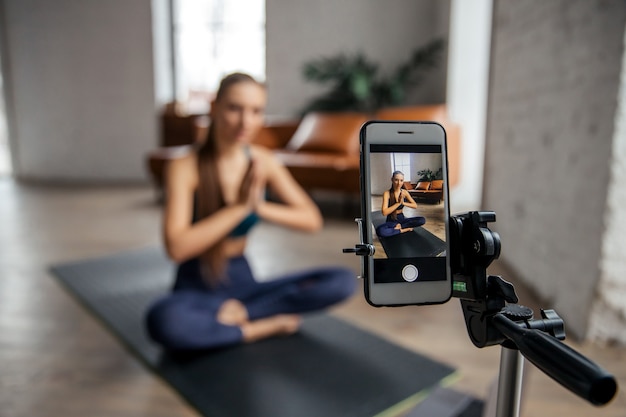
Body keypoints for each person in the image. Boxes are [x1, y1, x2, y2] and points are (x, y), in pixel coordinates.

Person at [145, 73, 355, 351]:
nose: (246, 122)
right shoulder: (184, 166)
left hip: (243, 281)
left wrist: (260, 207)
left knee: (341, 282)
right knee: (164, 320)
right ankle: (258, 327)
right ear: (214, 107)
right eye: (235, 108)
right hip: (195, 283)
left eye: (256, 111)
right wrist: (238, 209)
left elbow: (311, 220)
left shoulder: (262, 161)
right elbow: (177, 248)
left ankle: (238, 316)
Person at [375, 171, 426, 238]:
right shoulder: (387, 193)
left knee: (422, 220)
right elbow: (384, 212)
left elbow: (415, 205)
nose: (399, 183)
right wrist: (398, 203)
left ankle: (400, 227)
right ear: (392, 180)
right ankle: (402, 230)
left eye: (401, 180)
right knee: (380, 231)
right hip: (391, 220)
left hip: (402, 219)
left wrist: (403, 203)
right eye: (396, 180)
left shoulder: (404, 192)